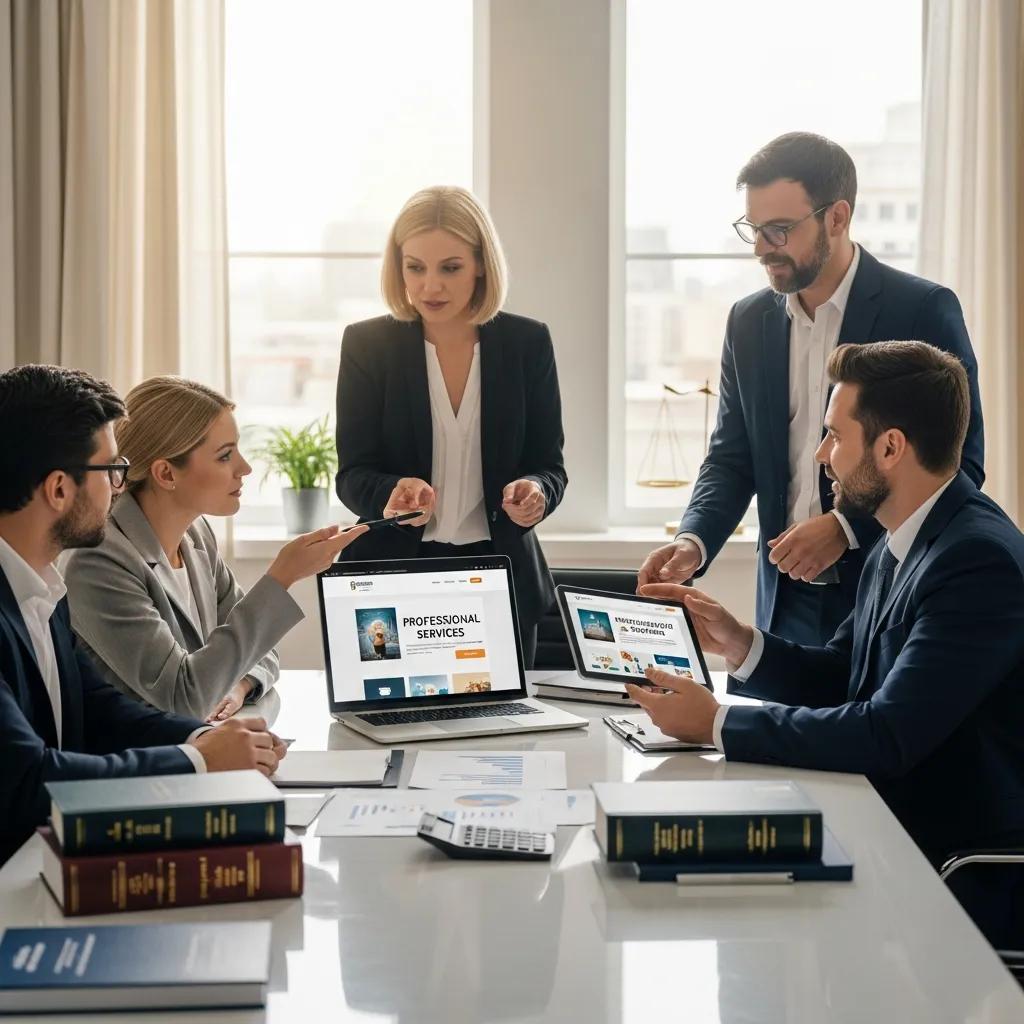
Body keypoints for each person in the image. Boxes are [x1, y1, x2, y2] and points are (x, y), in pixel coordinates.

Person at [625, 341, 1024, 880]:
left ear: (890, 448)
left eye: (834, 436)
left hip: (951, 864)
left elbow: (886, 734)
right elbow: (845, 676)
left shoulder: (977, 562)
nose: (820, 455)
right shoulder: (902, 537)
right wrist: (740, 641)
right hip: (881, 821)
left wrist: (717, 723)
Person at [638, 132, 985, 647]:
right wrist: (694, 541)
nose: (759, 249)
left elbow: (961, 466)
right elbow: (732, 457)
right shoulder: (747, 321)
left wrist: (843, 528)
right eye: (752, 229)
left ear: (837, 218)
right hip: (780, 600)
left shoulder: (922, 310)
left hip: (885, 589)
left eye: (778, 230)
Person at [0, 365, 291, 865]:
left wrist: (203, 737)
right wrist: (197, 761)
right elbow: (26, 779)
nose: (119, 486)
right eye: (111, 469)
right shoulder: (74, 572)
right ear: (58, 489)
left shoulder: (45, 588)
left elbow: (96, 708)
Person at [334, 185, 567, 667]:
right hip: (392, 579)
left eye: (450, 267)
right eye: (414, 267)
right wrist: (391, 492)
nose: (430, 287)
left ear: (481, 264)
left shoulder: (527, 343)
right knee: (391, 732)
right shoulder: (367, 344)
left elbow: (550, 464)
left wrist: (537, 491)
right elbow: (353, 473)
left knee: (496, 735)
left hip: (498, 579)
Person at [65, 376, 368, 721]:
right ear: (165, 474)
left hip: (199, 746)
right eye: (225, 456)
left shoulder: (196, 535)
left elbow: (259, 650)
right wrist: (282, 577)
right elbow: (184, 697)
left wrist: (239, 687)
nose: (245, 468)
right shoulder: (98, 562)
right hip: (138, 764)